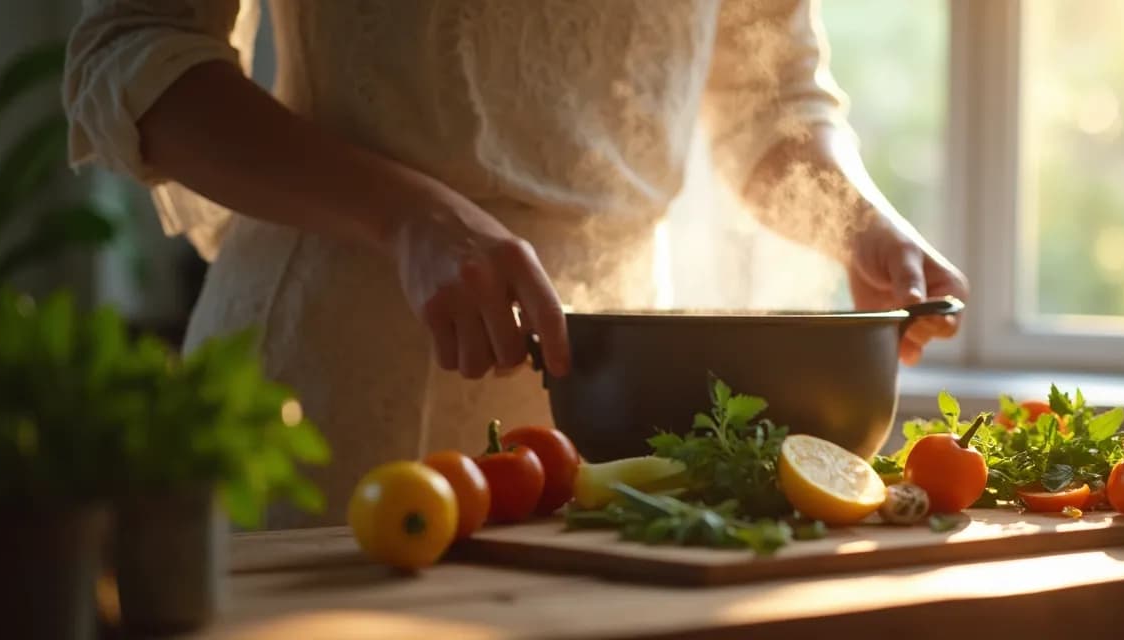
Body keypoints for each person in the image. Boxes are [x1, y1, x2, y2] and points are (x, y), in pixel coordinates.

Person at [63, 0, 970, 529]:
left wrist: (860, 221)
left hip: (613, 410)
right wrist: (411, 214)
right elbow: (129, 52)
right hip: (329, 381)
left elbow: (771, 94)